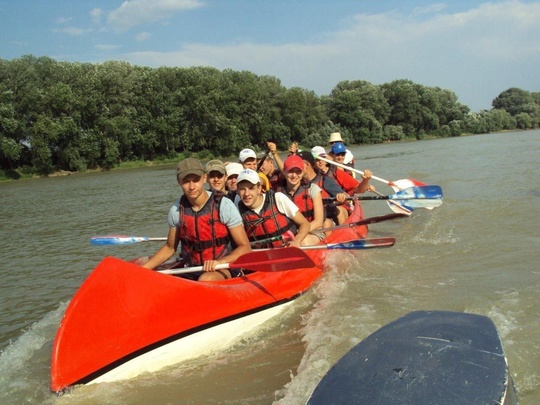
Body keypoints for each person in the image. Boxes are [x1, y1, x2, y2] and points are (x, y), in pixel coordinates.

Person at [142, 158, 251, 281]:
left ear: (204, 178)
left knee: (206, 279)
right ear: (179, 182)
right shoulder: (176, 209)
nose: (192, 186)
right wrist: (142, 270)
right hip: (193, 268)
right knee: (162, 282)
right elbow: (170, 248)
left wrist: (220, 262)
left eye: (196, 180)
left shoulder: (224, 205)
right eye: (186, 182)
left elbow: (245, 247)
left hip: (224, 267)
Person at [235, 168, 311, 248]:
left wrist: (296, 241)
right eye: (242, 189)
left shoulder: (278, 198)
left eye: (251, 188)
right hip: (263, 255)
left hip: (288, 249)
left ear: (259, 188)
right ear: (237, 190)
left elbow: (305, 224)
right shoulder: (237, 210)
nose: (247, 194)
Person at [275, 154, 325, 245]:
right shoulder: (278, 194)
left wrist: (299, 233)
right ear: (284, 172)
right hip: (289, 235)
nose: (294, 175)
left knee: (303, 242)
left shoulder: (313, 189)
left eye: (298, 171)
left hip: (313, 232)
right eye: (290, 171)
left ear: (302, 173)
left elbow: (318, 222)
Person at [300, 149, 350, 226]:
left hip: (328, 218)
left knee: (338, 212)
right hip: (308, 220)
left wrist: (342, 197)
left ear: (307, 165)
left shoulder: (325, 180)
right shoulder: (297, 184)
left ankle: (344, 232)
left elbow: (347, 197)